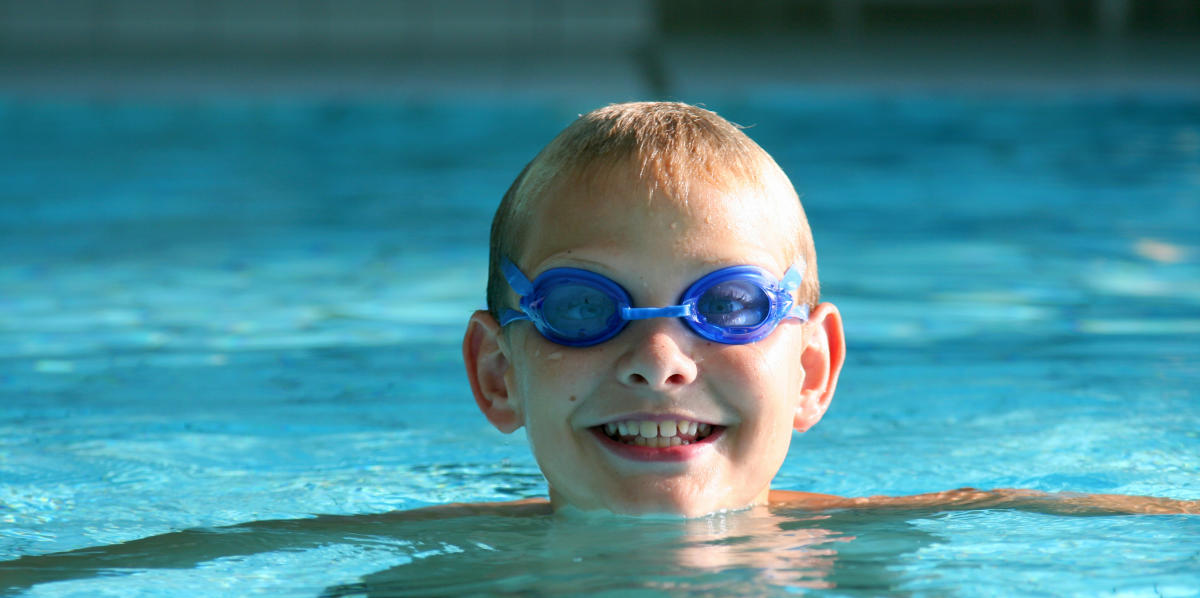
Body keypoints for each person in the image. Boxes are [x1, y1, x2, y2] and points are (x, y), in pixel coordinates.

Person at [462, 100, 1196, 519]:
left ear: (813, 369)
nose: (659, 362)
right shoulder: (457, 571)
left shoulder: (862, 542)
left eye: (729, 304)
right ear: (498, 375)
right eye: (584, 306)